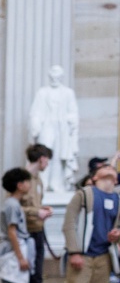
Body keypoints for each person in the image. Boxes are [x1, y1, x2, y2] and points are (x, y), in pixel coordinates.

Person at [51, 163, 120, 283]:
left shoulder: (117, 199)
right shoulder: (84, 195)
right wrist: (74, 251)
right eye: (104, 170)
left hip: (104, 256)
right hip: (83, 255)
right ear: (95, 177)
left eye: (112, 171)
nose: (109, 171)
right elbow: (69, 224)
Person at [20, 144, 55, 283]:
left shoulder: (38, 180)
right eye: (47, 160)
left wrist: (43, 210)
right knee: (21, 276)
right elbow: (14, 207)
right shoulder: (22, 178)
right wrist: (37, 211)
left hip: (38, 231)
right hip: (26, 233)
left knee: (37, 276)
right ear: (41, 158)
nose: (47, 164)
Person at [29, 65, 80, 193]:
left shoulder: (68, 92)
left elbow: (73, 112)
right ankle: (43, 184)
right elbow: (36, 112)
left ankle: (57, 185)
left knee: (58, 157)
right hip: (46, 126)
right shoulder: (42, 92)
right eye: (52, 76)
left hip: (62, 128)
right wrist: (36, 127)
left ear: (61, 77)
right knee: (44, 156)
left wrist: (69, 120)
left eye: (57, 76)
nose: (54, 78)